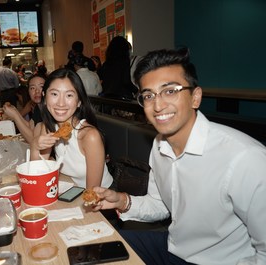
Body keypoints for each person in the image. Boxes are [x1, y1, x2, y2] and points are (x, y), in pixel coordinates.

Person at [90, 48, 266, 264]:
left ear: (195, 97)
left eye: (170, 91)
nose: (158, 105)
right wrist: (122, 201)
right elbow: (160, 205)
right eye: (148, 95)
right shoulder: (159, 145)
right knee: (96, 249)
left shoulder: (246, 159)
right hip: (173, 246)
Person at [30, 68, 113, 189]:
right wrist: (34, 146)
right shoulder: (49, 127)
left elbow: (93, 194)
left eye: (69, 95)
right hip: (71, 191)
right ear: (44, 96)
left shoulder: (89, 136)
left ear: (79, 101)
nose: (61, 103)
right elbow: (38, 173)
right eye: (54, 94)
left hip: (100, 200)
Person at [3, 73, 46, 144]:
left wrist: (15, 116)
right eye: (32, 88)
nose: (37, 91)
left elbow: (34, 141)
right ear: (28, 91)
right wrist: (15, 111)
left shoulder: (49, 108)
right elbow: (30, 126)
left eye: (41, 87)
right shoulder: (38, 107)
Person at [100, 36, 138, 101]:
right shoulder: (124, 61)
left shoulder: (106, 63)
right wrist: (136, 90)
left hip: (108, 96)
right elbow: (126, 81)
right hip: (122, 96)